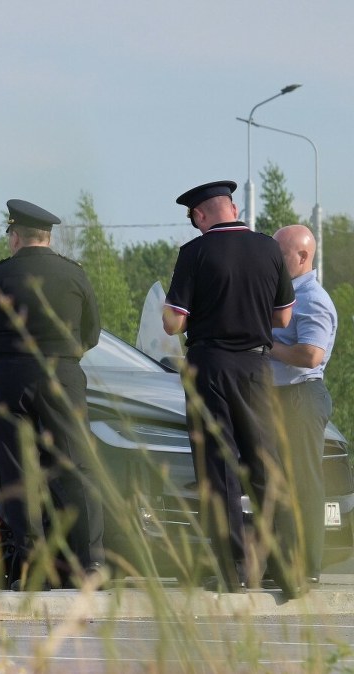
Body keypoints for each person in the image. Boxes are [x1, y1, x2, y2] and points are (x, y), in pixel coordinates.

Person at [161, 180, 297, 596]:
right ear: (233, 208)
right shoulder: (269, 249)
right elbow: (285, 319)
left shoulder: (194, 253)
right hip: (257, 366)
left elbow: (173, 323)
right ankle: (288, 569)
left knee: (219, 469)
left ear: (200, 215)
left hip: (211, 365)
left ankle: (232, 571)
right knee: (265, 465)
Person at [0, 199, 104, 590]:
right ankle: (91, 565)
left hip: (10, 375)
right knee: (78, 467)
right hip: (62, 375)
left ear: (15, 236)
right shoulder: (74, 275)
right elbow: (91, 334)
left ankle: (31, 570)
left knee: (19, 470)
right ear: (47, 237)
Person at [269, 224, 336, 589]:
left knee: (303, 482)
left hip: (300, 396)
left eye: (278, 256)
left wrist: (265, 345)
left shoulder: (312, 299)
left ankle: (307, 566)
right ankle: (282, 564)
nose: (272, 263)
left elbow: (310, 355)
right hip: (279, 397)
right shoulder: (284, 294)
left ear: (302, 256)